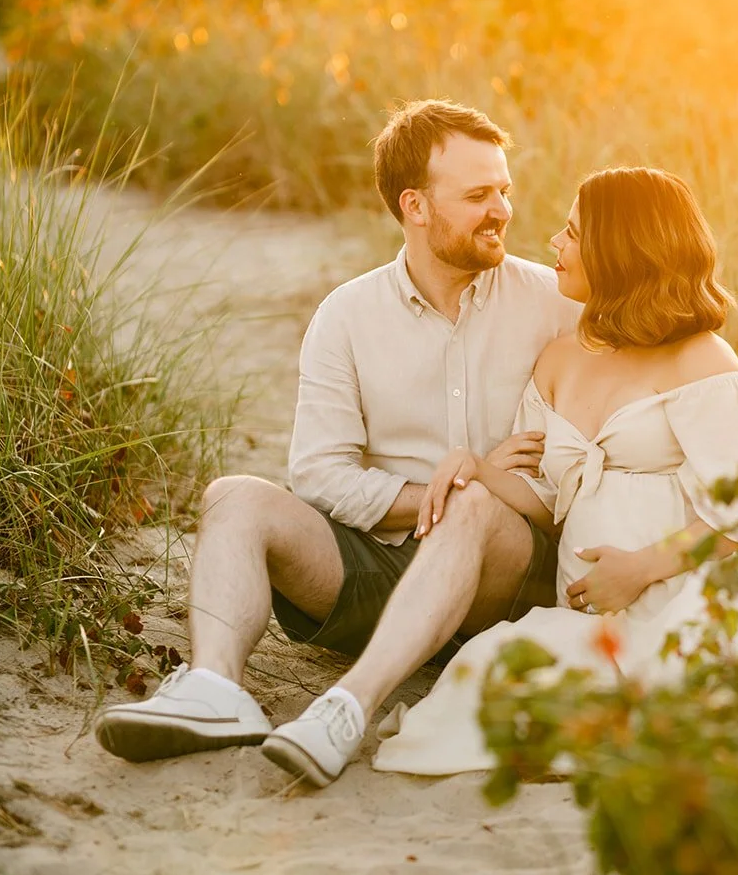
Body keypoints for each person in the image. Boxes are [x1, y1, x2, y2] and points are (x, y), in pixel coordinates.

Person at [92, 100, 579, 786]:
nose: (501, 207)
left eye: (504, 189)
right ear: (415, 204)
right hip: (379, 569)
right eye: (477, 194)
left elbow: (590, 455)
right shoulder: (347, 315)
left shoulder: (555, 304)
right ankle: (214, 689)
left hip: (503, 577)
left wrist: (482, 492)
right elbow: (319, 473)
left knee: (474, 506)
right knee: (235, 497)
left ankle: (347, 708)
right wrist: (431, 497)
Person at [370, 166, 738, 776]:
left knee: (702, 704)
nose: (554, 242)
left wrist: (641, 568)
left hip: (692, 591)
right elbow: (550, 498)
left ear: (618, 252)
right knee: (490, 679)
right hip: (596, 616)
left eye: (573, 233)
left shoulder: (699, 359)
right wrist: (475, 468)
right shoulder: (558, 360)